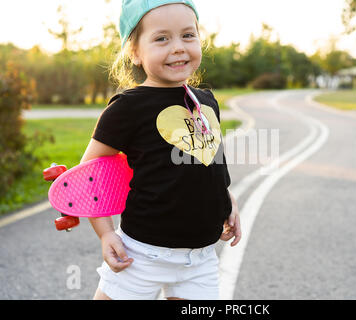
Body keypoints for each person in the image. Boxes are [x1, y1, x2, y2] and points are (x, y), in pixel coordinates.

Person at [80, 0, 241, 300]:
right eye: (162, 38)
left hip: (200, 259)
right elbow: (88, 176)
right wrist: (105, 233)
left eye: (188, 35)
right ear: (135, 52)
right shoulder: (128, 107)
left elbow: (209, 162)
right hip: (141, 254)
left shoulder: (206, 101)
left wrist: (226, 201)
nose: (178, 47)